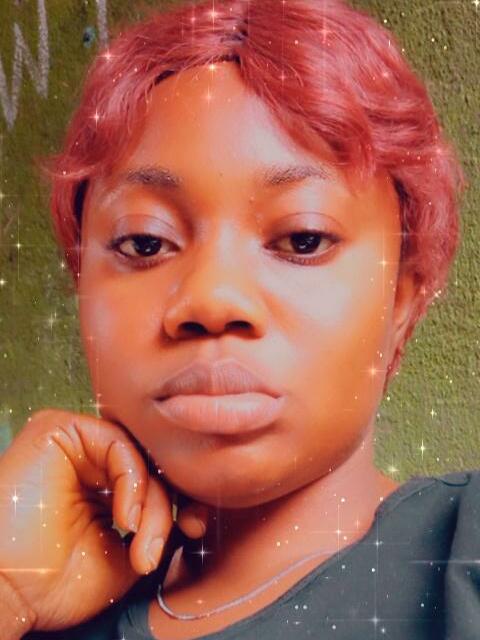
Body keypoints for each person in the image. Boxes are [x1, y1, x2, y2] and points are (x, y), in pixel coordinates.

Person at [0, 0, 473, 638]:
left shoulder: (462, 559)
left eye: (303, 238)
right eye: (145, 242)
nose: (211, 300)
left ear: (402, 300)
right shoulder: (39, 588)